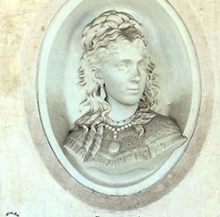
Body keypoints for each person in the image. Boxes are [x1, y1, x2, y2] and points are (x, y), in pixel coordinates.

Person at [62, 10, 185, 178]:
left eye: (140, 65)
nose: (136, 76)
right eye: (123, 66)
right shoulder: (80, 140)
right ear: (98, 74)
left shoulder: (164, 133)